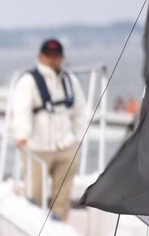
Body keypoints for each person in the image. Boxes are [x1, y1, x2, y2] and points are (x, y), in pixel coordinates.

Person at [10, 38, 90, 220]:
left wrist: (78, 138)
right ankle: (31, 228)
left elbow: (80, 110)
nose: (53, 60)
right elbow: (21, 110)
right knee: (34, 193)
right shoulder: (28, 81)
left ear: (62, 57)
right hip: (37, 147)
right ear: (40, 57)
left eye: (56, 56)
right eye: (49, 56)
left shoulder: (69, 80)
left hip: (65, 145)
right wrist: (21, 135)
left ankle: (59, 223)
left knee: (62, 195)